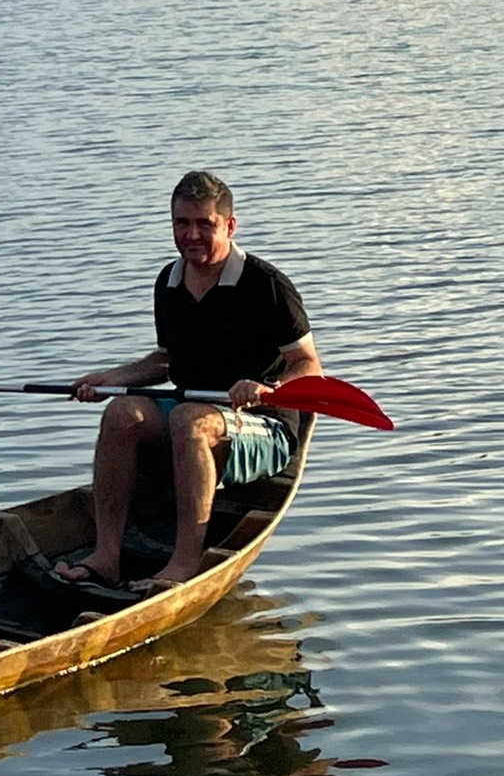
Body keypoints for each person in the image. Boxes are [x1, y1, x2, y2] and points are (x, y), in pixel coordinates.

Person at [53, 173, 322, 596]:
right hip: (190, 411)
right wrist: (112, 379)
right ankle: (105, 558)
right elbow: (167, 360)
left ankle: (182, 564)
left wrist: (267, 388)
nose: (191, 235)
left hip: (264, 426)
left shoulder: (267, 285)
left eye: (204, 224)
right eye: (182, 223)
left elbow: (309, 366)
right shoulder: (169, 281)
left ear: (229, 226)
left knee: (190, 421)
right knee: (121, 413)